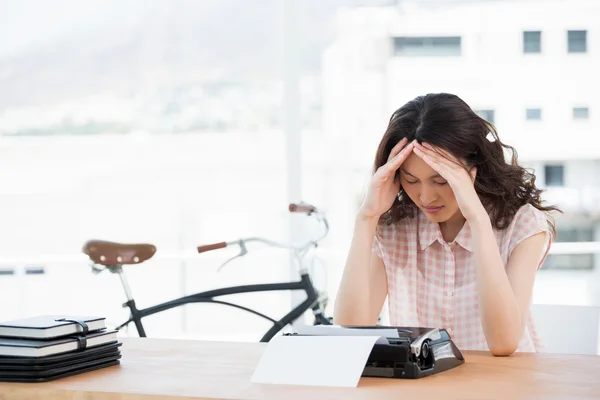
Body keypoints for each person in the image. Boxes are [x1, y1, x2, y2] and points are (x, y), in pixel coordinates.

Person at [333, 93, 561, 356]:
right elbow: (350, 333)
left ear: (473, 167)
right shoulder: (396, 229)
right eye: (411, 181)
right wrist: (367, 218)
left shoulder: (522, 224)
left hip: (506, 387)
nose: (426, 197)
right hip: (426, 389)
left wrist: (477, 219)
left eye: (441, 181)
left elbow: (504, 343)